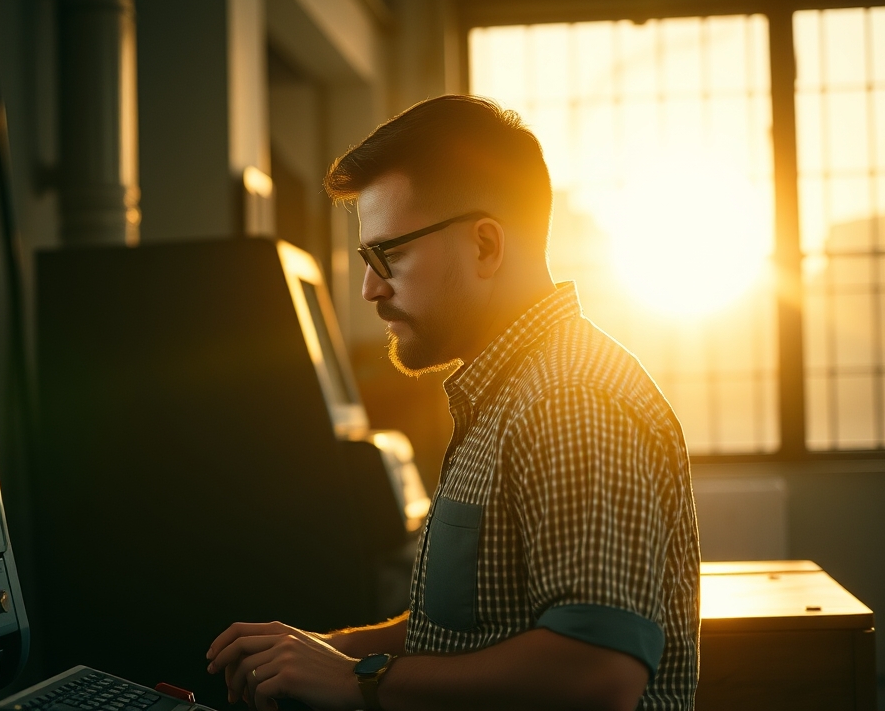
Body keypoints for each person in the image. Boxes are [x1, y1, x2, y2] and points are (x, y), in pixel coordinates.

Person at [206, 95, 700, 711]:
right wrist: (328, 651)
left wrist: (359, 681)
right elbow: (468, 630)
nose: (370, 288)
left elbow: (597, 672)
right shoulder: (506, 393)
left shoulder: (571, 400)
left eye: (388, 254)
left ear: (486, 246)